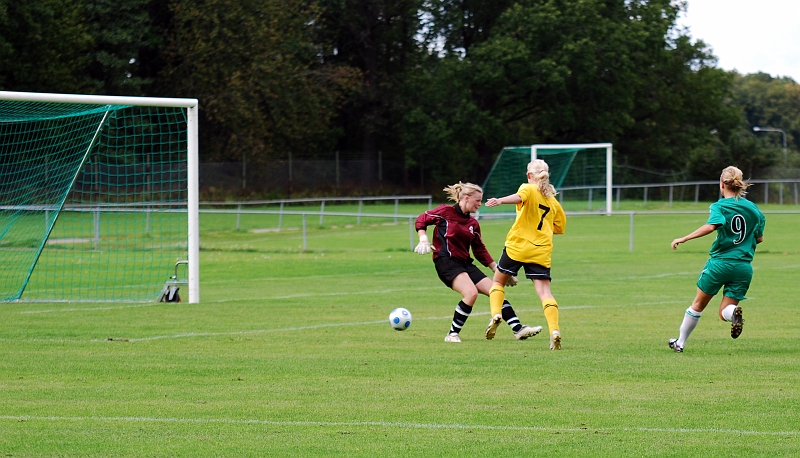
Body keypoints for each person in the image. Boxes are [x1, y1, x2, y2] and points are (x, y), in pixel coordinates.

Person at [415, 181, 542, 343]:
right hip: (445, 261)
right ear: (466, 198)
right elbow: (421, 219)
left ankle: (519, 329)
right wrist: (423, 239)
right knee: (471, 293)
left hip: (465, 264)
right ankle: (452, 334)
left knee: (495, 291)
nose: (480, 204)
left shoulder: (473, 223)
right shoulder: (445, 211)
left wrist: (500, 271)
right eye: (477, 200)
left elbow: (480, 251)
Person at [668, 166, 766, 353]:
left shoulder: (720, 206)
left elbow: (712, 226)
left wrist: (685, 238)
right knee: (724, 311)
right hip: (743, 267)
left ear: (722, 184)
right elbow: (759, 238)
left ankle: (680, 343)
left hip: (720, 263)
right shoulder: (754, 209)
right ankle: (733, 314)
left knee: (698, 304)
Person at [484, 159, 567, 350]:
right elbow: (559, 227)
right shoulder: (553, 202)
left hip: (518, 245)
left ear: (529, 175)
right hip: (541, 250)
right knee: (545, 292)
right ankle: (554, 330)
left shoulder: (528, 188)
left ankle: (496, 314)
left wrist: (501, 200)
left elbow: (519, 196)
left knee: (497, 282)